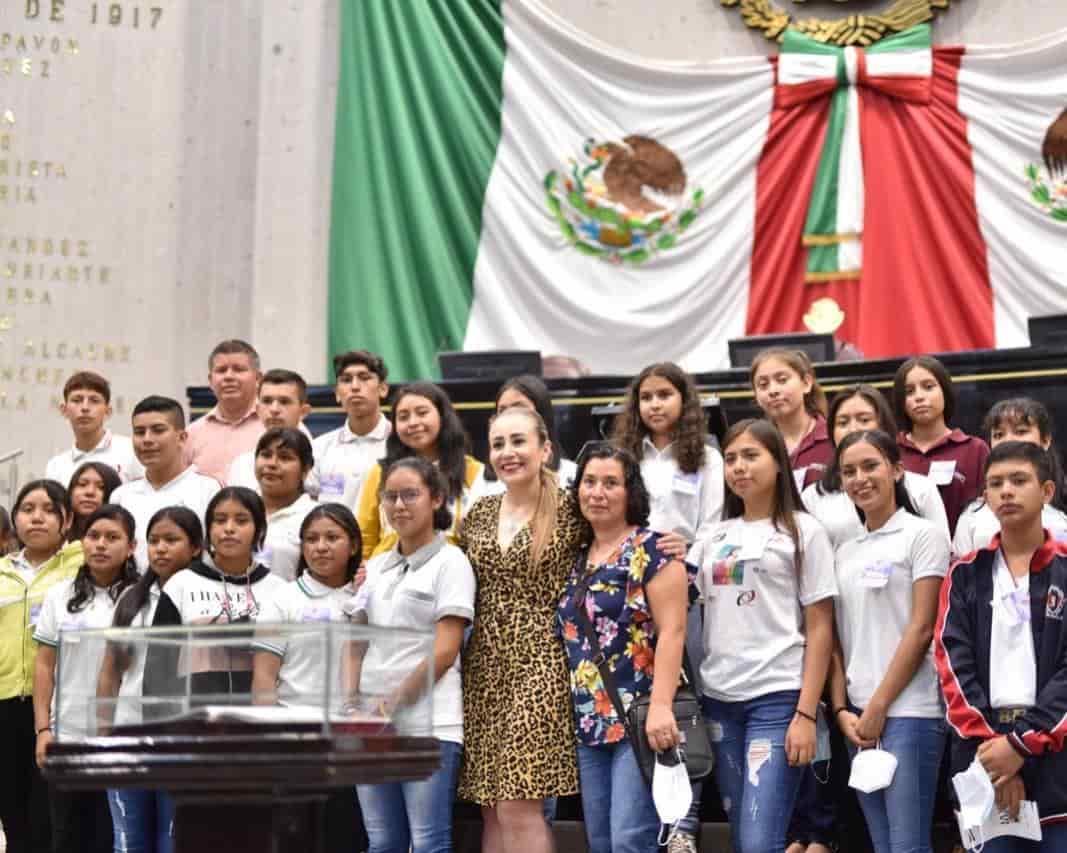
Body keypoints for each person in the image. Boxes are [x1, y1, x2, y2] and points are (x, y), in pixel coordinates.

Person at [693, 418, 837, 853]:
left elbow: (821, 626)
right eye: (731, 458)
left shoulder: (803, 531)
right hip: (719, 699)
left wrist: (807, 714)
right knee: (744, 836)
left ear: (779, 464)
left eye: (751, 455)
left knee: (760, 841)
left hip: (778, 698)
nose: (738, 467)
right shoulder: (712, 536)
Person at [458, 406, 586, 853]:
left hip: (542, 664)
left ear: (544, 449)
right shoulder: (478, 513)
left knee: (517, 804)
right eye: (498, 444)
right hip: (483, 669)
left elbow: (622, 537)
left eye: (518, 441)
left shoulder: (573, 509)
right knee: (490, 804)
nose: (508, 453)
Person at [556, 443, 691, 853]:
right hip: (589, 722)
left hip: (641, 716)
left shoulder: (653, 549)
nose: (597, 492)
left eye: (610, 483)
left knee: (630, 839)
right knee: (600, 841)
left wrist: (662, 707)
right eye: (589, 482)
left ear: (630, 492)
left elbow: (674, 631)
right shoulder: (577, 558)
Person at [611, 361, 723, 853]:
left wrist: (688, 560)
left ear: (685, 400)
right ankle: (652, 816)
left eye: (665, 395)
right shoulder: (625, 456)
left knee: (681, 705)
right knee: (639, 709)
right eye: (646, 397)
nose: (655, 405)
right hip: (628, 600)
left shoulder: (707, 459)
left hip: (683, 591)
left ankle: (684, 821)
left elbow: (714, 528)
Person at [934, 441, 1067, 851]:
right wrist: (997, 754)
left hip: (1055, 751)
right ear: (984, 497)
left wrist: (1021, 745)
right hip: (983, 752)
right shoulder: (965, 575)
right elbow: (952, 666)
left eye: (1019, 480)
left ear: (1046, 491)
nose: (1007, 491)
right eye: (996, 483)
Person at [828, 430, 951, 853]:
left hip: (910, 712)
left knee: (908, 846)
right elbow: (836, 641)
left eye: (870, 466)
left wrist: (878, 707)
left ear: (897, 470)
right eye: (848, 471)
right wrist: (843, 709)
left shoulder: (924, 536)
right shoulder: (844, 551)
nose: (859, 478)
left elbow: (921, 629)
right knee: (883, 846)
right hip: (858, 721)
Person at [348, 459, 475, 853]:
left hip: (430, 724)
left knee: (427, 841)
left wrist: (392, 703)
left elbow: (445, 649)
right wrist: (351, 705)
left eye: (410, 495)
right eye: (391, 496)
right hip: (371, 725)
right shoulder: (376, 567)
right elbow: (355, 640)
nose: (399, 505)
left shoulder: (451, 562)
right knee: (382, 841)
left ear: (436, 498)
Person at [252, 503, 368, 853]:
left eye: (332, 537)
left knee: (348, 838)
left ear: (353, 545)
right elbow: (263, 677)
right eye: (312, 539)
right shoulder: (282, 600)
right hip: (298, 742)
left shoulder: (368, 597)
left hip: (354, 744)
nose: (321, 547)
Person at [96, 507, 203, 853]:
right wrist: (103, 735)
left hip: (182, 742)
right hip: (128, 736)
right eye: (154, 541)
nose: (160, 549)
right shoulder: (132, 599)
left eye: (172, 540)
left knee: (173, 840)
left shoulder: (204, 596)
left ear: (197, 547)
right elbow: (110, 671)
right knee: (129, 841)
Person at [33, 504, 139, 853]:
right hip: (68, 735)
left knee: (112, 836)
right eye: (93, 536)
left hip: (123, 739)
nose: (101, 545)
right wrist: (43, 730)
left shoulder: (142, 599)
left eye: (113, 537)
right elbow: (45, 666)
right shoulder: (60, 596)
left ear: (132, 546)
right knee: (67, 836)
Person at [0, 481, 82, 853]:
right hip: (3, 702)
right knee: (11, 811)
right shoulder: (2, 570)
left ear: (67, 520)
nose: (37, 517)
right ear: (14, 518)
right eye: (27, 509)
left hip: (52, 706)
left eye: (49, 509)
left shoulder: (80, 563)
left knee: (47, 814)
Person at [148, 488, 286, 698]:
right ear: (208, 530)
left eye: (241, 521)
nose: (229, 529)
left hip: (260, 719)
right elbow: (158, 667)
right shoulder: (181, 584)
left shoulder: (279, 589)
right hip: (194, 720)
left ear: (259, 530)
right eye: (220, 520)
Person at [802, 385, 950, 548]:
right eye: (843, 423)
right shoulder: (812, 497)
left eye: (864, 420)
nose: (853, 429)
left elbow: (941, 550)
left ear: (883, 426)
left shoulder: (920, 488)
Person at [357, 382, 484, 560]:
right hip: (385, 576)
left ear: (442, 416)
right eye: (403, 417)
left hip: (449, 576)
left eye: (422, 413)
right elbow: (365, 536)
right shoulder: (380, 472)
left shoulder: (474, 472)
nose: (413, 422)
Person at [111, 396, 221, 569]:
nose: (147, 439)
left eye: (158, 430)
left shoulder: (208, 490)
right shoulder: (121, 496)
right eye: (139, 432)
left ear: (182, 437)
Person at [953, 398, 1067, 555]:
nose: (1008, 440)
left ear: (1045, 440)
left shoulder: (1062, 510)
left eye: (1020, 431)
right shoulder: (973, 517)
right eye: (999, 434)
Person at [893, 356, 990, 536]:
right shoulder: (889, 451)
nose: (919, 397)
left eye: (928, 387)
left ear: (945, 391)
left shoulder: (975, 450)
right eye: (909, 391)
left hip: (963, 558)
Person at [311, 350, 391, 509]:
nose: (354, 386)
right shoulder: (319, 448)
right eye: (346, 380)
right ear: (337, 394)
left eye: (364, 378)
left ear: (382, 389)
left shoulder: (402, 443)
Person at [184, 340, 265, 483]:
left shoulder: (275, 426)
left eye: (239, 369)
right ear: (210, 380)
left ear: (258, 378)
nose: (228, 377)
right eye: (221, 370)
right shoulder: (192, 434)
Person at [751, 349, 832, 491]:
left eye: (782, 380)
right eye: (763, 385)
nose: (773, 390)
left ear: (806, 383)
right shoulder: (754, 445)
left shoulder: (833, 437)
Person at [45, 371, 143, 486]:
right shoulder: (56, 466)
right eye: (77, 400)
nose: (85, 408)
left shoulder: (132, 450)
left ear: (108, 411)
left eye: (94, 401)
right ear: (64, 410)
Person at [483, 375, 577, 491]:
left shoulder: (572, 476)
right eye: (502, 411)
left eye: (519, 409)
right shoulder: (483, 486)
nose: (509, 417)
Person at [226, 369, 313, 491]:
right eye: (267, 401)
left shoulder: (323, 458)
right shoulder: (241, 465)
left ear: (303, 412)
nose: (274, 409)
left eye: (284, 402)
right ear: (258, 409)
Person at [254, 428, 317, 581]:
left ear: (305, 469)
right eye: (266, 455)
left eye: (285, 457)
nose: (272, 464)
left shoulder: (315, 518)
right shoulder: (240, 509)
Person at [66, 461, 122, 542]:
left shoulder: (120, 542)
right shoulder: (56, 537)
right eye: (82, 484)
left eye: (101, 487)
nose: (90, 492)